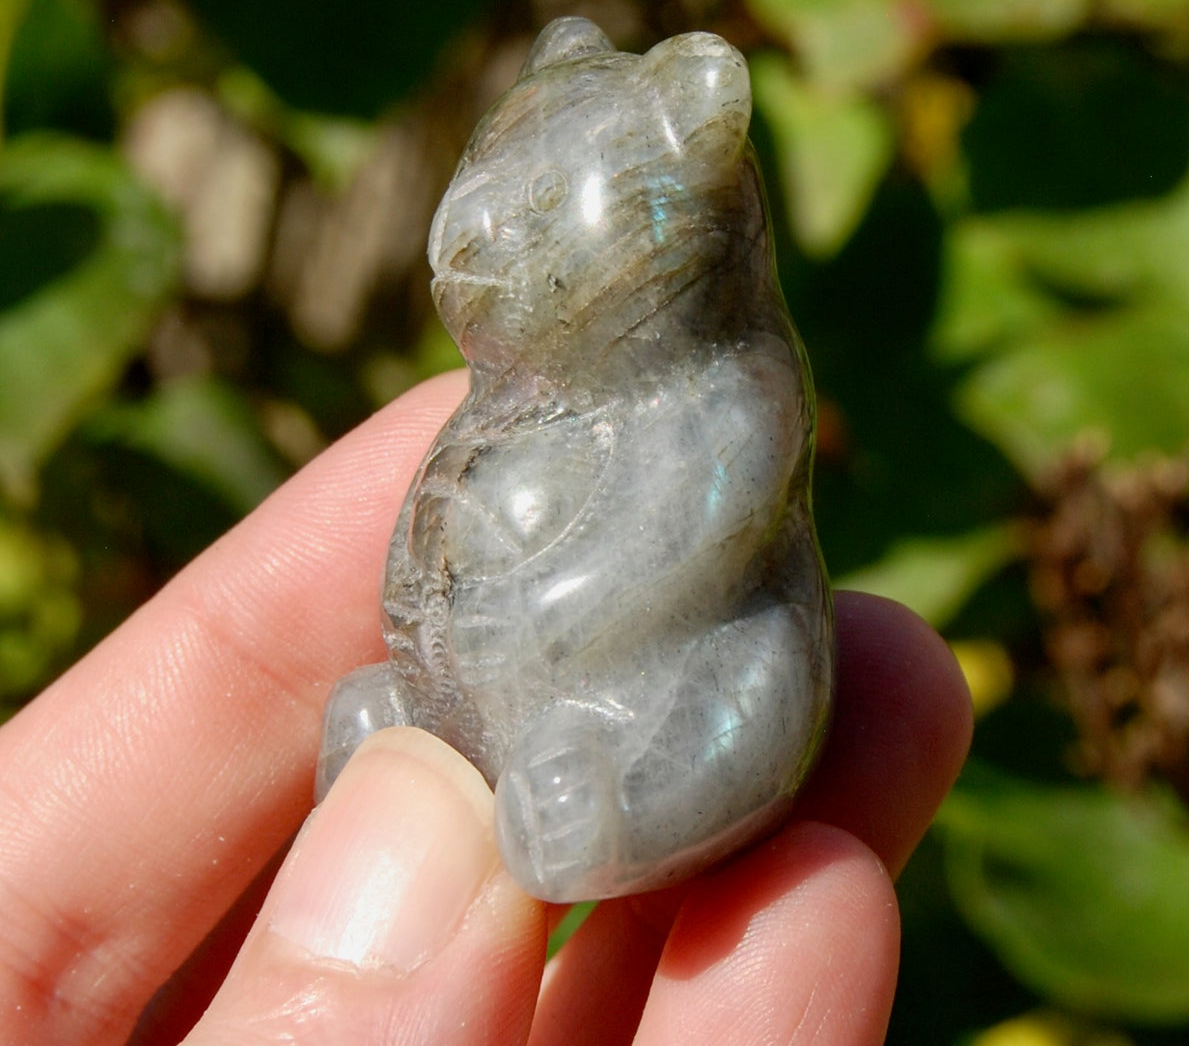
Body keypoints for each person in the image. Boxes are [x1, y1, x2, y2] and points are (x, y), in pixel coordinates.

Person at [0, 371, 972, 1045]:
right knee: (374, 712)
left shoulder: (731, 395)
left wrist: (535, 617)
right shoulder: (529, 395)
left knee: (747, 695)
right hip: (477, 700)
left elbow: (678, 550)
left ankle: (616, 806)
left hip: (647, 704)